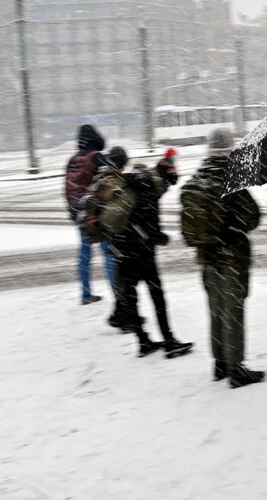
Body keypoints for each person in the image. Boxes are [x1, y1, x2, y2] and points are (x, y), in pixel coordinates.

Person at [181, 128, 265, 388]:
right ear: (230, 147)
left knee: (216, 310)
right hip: (231, 258)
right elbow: (253, 216)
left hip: (207, 258)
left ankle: (219, 363)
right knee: (233, 312)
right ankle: (236, 368)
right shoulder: (231, 177)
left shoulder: (199, 176)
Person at [105, 146, 194, 359]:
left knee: (130, 294)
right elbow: (150, 227)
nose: (166, 191)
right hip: (140, 250)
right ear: (164, 180)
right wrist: (161, 238)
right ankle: (169, 341)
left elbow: (130, 217)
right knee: (157, 294)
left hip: (120, 246)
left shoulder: (131, 182)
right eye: (168, 186)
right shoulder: (150, 188)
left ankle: (143, 341)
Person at [64, 124, 116, 306]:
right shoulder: (97, 157)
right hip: (96, 213)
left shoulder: (72, 160)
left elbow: (67, 188)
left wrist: (73, 212)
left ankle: (85, 294)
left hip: (79, 212)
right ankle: (118, 293)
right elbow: (110, 182)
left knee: (84, 254)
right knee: (108, 251)